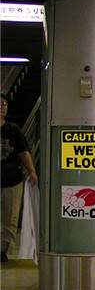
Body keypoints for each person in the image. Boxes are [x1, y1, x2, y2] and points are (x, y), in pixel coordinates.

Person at [1, 93, 38, 263]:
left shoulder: (13, 130)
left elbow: (24, 152)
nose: (2, 107)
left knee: (10, 217)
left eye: (4, 104)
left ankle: (4, 250)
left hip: (12, 179)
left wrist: (32, 171)